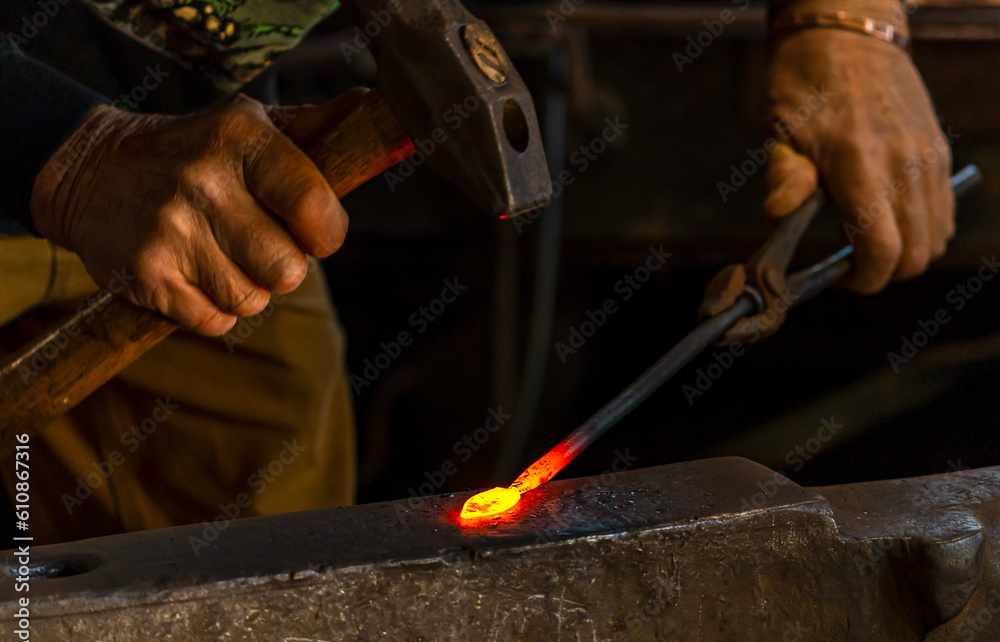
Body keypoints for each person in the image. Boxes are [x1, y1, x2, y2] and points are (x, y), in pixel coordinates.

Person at [0, 0, 953, 543]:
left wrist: (842, 20)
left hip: (202, 156)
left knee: (268, 513)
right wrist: (67, 152)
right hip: (42, 126)